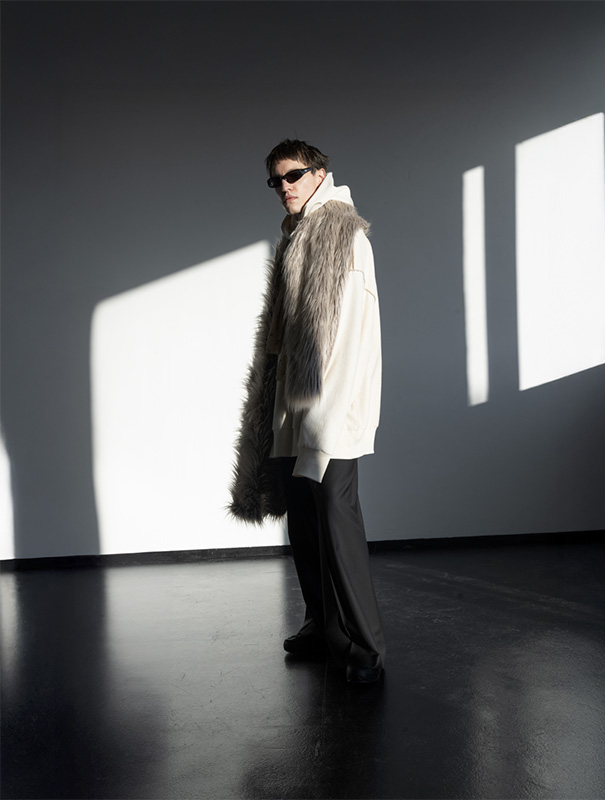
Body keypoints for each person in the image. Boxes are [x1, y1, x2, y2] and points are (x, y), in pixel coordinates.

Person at [229, 139, 385, 684]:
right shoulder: (297, 234)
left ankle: (364, 648)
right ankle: (322, 625)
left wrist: (322, 424)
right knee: (303, 523)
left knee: (338, 523)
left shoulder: (341, 232)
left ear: (321, 173)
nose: (284, 188)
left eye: (293, 176)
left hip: (329, 411)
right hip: (294, 410)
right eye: (275, 181)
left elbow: (345, 340)